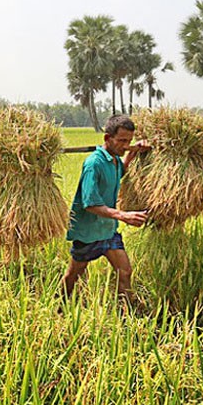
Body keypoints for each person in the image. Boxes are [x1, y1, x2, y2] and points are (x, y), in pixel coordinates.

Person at [60, 115, 150, 304]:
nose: (126, 145)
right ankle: (60, 305)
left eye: (129, 141)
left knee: (124, 271)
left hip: (108, 230)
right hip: (88, 233)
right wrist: (123, 216)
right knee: (74, 275)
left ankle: (126, 314)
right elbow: (90, 203)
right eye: (122, 141)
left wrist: (133, 153)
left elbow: (118, 174)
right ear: (107, 138)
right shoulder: (94, 164)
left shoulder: (116, 160)